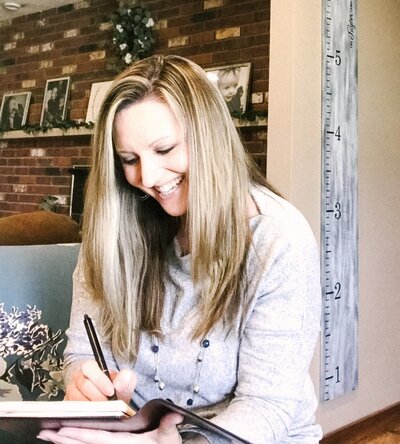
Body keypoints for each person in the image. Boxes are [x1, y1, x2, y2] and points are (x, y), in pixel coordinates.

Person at [37, 54, 322, 444]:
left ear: (210, 136)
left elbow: (266, 407)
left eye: (165, 149)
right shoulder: (113, 231)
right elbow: (82, 353)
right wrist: (84, 384)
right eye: (129, 159)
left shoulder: (280, 239)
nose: (149, 177)